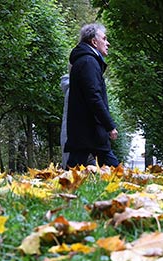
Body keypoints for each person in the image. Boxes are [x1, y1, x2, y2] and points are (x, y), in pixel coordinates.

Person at [64, 23, 119, 168]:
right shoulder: (89, 62)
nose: (108, 43)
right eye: (104, 39)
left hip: (85, 131)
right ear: (94, 42)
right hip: (90, 131)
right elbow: (94, 97)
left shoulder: (85, 60)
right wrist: (109, 125)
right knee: (115, 170)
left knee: (73, 170)